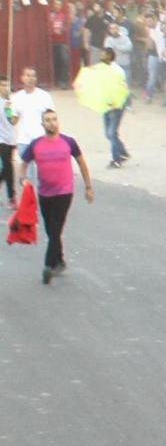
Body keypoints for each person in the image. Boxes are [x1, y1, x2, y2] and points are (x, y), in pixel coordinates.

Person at [17, 109, 94, 285]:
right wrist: (23, 179)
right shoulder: (36, 144)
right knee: (52, 230)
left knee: (55, 228)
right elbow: (23, 164)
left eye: (54, 119)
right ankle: (59, 260)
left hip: (64, 192)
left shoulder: (69, 142)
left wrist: (88, 187)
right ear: (42, 124)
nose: (52, 123)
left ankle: (48, 266)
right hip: (44, 193)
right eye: (48, 120)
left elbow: (81, 163)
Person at [11, 67, 55, 175]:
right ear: (22, 78)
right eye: (28, 75)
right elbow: (13, 121)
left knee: (44, 173)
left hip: (41, 139)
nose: (31, 78)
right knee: (28, 176)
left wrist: (53, 137)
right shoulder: (16, 97)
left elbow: (53, 118)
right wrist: (7, 110)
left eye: (33, 76)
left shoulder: (44, 96)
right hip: (24, 141)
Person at [98, 48, 130, 168]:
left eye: (104, 54)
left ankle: (116, 159)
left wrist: (115, 102)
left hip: (116, 105)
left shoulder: (117, 71)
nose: (101, 56)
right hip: (106, 104)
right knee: (109, 133)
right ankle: (122, 152)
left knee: (111, 133)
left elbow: (121, 88)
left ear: (110, 56)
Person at [0, 75, 18, 209]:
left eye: (6, 85)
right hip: (1, 140)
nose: (5, 88)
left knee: (5, 169)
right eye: (2, 85)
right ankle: (12, 197)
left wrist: (9, 108)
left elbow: (13, 121)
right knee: (8, 167)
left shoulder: (11, 101)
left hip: (11, 138)